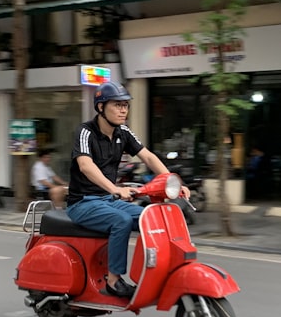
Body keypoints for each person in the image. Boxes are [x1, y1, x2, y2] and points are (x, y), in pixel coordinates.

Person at [65, 81, 188, 298]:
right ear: (101, 107)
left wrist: (174, 183)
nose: (123, 110)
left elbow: (148, 156)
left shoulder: (123, 132)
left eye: (126, 105)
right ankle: (113, 280)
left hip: (107, 200)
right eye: (117, 105)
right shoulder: (86, 132)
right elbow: (85, 165)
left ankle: (156, 272)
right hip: (83, 202)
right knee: (120, 221)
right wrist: (115, 189)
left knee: (150, 218)